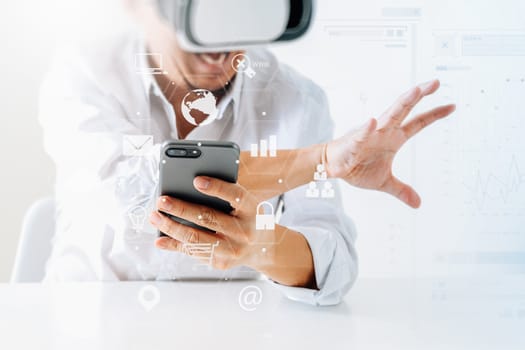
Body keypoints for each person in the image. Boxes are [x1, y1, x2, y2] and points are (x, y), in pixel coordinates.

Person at [39, 1, 455, 305]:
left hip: (235, 329)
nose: (219, 48)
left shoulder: (298, 101)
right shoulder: (84, 73)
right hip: (88, 320)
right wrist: (321, 161)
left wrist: (265, 246)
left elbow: (335, 266)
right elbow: (129, 188)